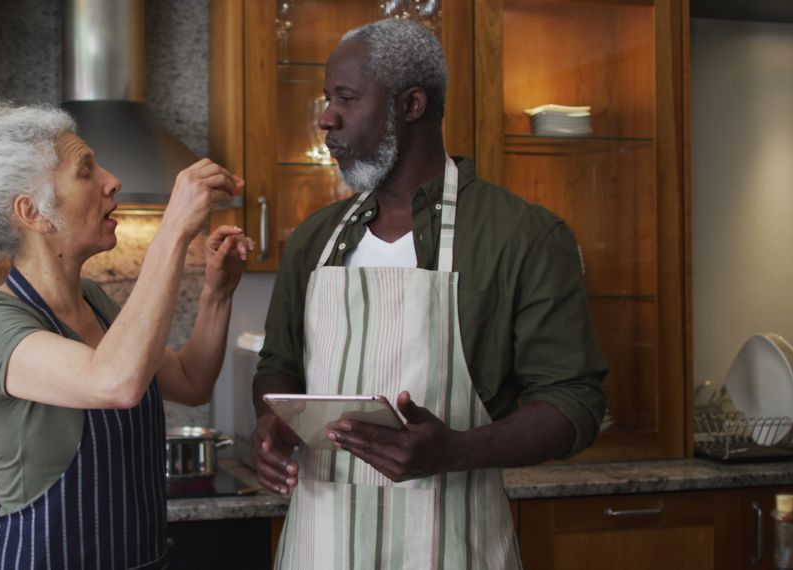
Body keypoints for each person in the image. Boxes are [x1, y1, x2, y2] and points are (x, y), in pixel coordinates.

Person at [251, 19, 608, 569]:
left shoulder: (524, 237)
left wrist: (457, 450)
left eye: (345, 98)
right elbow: (278, 367)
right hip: (319, 548)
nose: (326, 118)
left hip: (454, 549)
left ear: (411, 104)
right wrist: (273, 424)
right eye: (328, 99)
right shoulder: (314, 239)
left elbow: (573, 401)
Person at [0, 90, 251, 570]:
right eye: (86, 170)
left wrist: (217, 294)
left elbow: (190, 379)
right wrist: (174, 231)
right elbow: (113, 382)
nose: (112, 181)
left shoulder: (93, 301)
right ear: (31, 212)